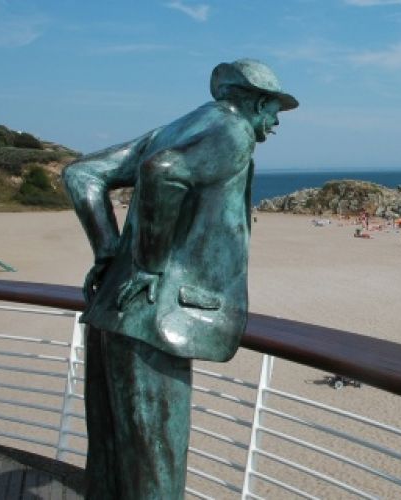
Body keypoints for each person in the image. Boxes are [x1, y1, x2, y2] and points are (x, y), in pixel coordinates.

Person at [64, 58, 297, 499]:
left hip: (113, 308)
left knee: (113, 458)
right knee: (156, 462)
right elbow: (164, 172)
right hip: (156, 322)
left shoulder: (177, 127)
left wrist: (109, 251)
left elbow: (82, 174)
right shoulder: (232, 133)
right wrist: (149, 264)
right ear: (258, 102)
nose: (276, 121)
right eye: (275, 109)